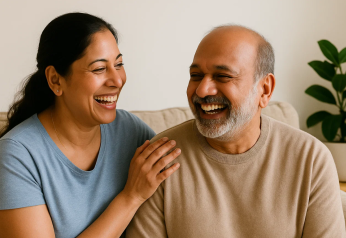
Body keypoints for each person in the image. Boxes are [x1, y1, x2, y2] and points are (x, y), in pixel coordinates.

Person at [126, 25, 346, 237]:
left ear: (265, 89)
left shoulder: (311, 159)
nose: (202, 90)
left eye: (223, 77)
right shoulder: (160, 159)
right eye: (196, 75)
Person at [0, 12, 181, 238]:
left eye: (119, 64)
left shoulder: (130, 131)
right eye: (99, 69)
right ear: (55, 80)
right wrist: (131, 197)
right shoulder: (17, 155)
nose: (117, 80)